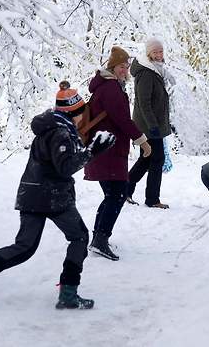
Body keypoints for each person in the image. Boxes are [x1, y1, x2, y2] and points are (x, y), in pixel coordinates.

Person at [0, 81, 116, 309]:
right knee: (79, 237)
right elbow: (65, 166)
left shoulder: (50, 128)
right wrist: (93, 151)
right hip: (52, 197)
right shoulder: (61, 132)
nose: (84, 117)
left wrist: (87, 149)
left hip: (31, 194)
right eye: (82, 112)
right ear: (74, 113)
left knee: (24, 247)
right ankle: (68, 294)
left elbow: (57, 162)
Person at [84, 46, 152, 261]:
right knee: (118, 195)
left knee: (112, 195)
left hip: (105, 149)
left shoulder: (105, 86)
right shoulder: (111, 88)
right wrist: (142, 141)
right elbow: (123, 119)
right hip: (109, 151)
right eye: (122, 66)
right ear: (113, 67)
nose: (126, 70)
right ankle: (100, 240)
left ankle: (98, 238)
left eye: (127, 66)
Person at [125, 38, 172, 209]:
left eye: (161, 51)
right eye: (155, 52)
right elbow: (143, 102)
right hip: (149, 125)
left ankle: (126, 189)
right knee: (156, 159)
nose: (159, 54)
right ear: (148, 54)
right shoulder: (146, 72)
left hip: (151, 123)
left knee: (147, 158)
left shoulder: (155, 70)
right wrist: (153, 125)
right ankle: (152, 199)